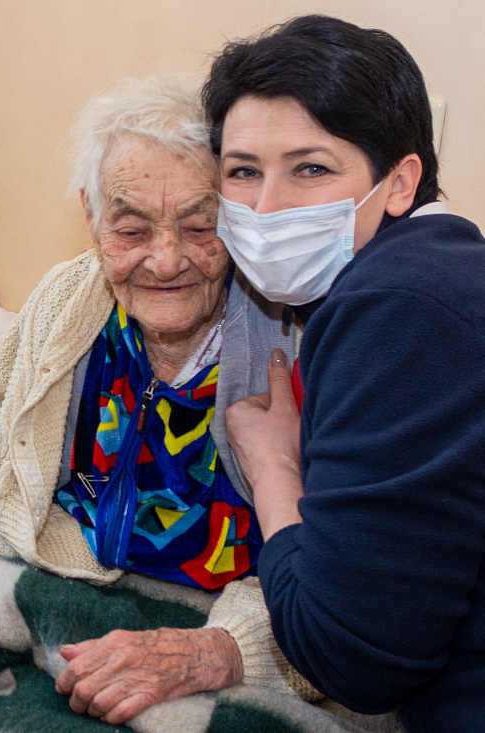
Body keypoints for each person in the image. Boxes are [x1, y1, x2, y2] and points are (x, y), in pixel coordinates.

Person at [0, 76, 316, 729]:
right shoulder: (66, 305)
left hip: (210, 633)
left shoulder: (294, 343)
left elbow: (345, 589)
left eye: (200, 225)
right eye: (131, 228)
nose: (165, 260)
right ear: (91, 217)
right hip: (39, 597)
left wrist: (228, 647)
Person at [208, 15, 485, 732]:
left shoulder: (399, 308)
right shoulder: (442, 270)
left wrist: (273, 466)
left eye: (311, 169)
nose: (265, 208)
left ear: (399, 182)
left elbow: (349, 657)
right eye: (242, 170)